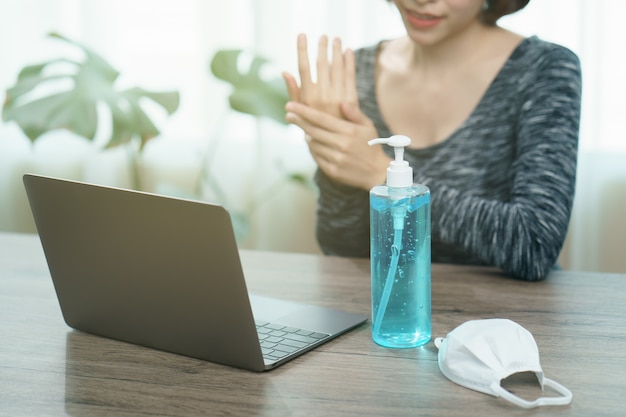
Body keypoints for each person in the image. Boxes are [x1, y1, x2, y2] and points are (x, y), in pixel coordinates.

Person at [282, 0, 582, 281]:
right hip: (395, 308)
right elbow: (342, 251)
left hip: (506, 322)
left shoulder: (542, 68)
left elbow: (535, 246)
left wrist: (378, 173)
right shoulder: (356, 72)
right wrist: (340, 170)